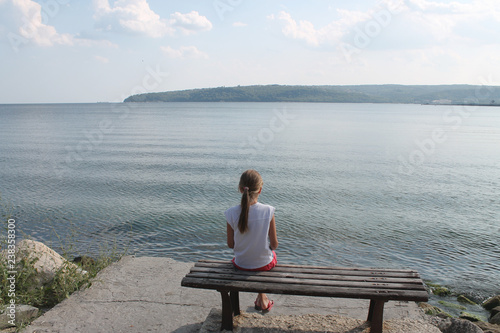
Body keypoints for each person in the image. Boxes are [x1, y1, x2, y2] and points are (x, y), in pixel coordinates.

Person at [225, 169, 279, 312]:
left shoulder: (230, 213)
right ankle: (262, 298)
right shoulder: (268, 211)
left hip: (241, 264)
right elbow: (274, 245)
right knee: (270, 256)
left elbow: (231, 245)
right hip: (264, 265)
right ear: (260, 190)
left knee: (253, 255)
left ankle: (262, 297)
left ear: (240, 189)